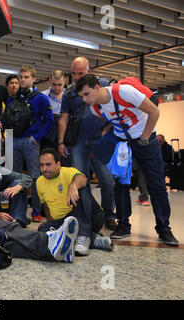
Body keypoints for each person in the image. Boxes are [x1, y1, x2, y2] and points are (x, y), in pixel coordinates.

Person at [75, 73, 179, 246]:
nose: (85, 100)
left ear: (97, 88)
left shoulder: (124, 92)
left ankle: (164, 229)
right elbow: (114, 119)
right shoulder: (95, 107)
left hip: (145, 139)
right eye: (81, 97)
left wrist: (145, 138)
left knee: (157, 186)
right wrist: (107, 131)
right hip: (123, 142)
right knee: (121, 185)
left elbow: (154, 112)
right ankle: (123, 224)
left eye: (87, 94)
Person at [57, 57, 117, 230]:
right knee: (81, 180)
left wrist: (108, 129)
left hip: (102, 140)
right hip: (79, 142)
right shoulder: (69, 92)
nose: (76, 77)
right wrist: (61, 142)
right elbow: (64, 118)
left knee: (107, 180)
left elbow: (115, 107)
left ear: (89, 72)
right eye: (73, 74)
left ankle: (109, 215)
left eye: (80, 73)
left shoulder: (103, 84)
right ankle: (87, 214)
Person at [0, 65, 54, 223]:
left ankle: (37, 210)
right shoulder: (13, 97)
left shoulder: (41, 98)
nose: (22, 80)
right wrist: (4, 130)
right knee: (14, 177)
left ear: (33, 79)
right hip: (13, 140)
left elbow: (50, 122)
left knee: (35, 176)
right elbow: (6, 117)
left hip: (30, 141)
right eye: (21, 77)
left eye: (26, 77)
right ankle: (18, 212)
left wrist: (36, 138)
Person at [36, 148, 113, 255]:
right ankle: (94, 239)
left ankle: (84, 235)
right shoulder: (39, 182)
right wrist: (51, 223)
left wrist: (73, 186)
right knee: (43, 229)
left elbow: (82, 179)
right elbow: (46, 205)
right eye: (41, 165)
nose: (44, 168)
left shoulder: (68, 172)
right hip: (64, 222)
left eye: (48, 164)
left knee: (81, 188)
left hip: (87, 216)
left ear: (58, 164)